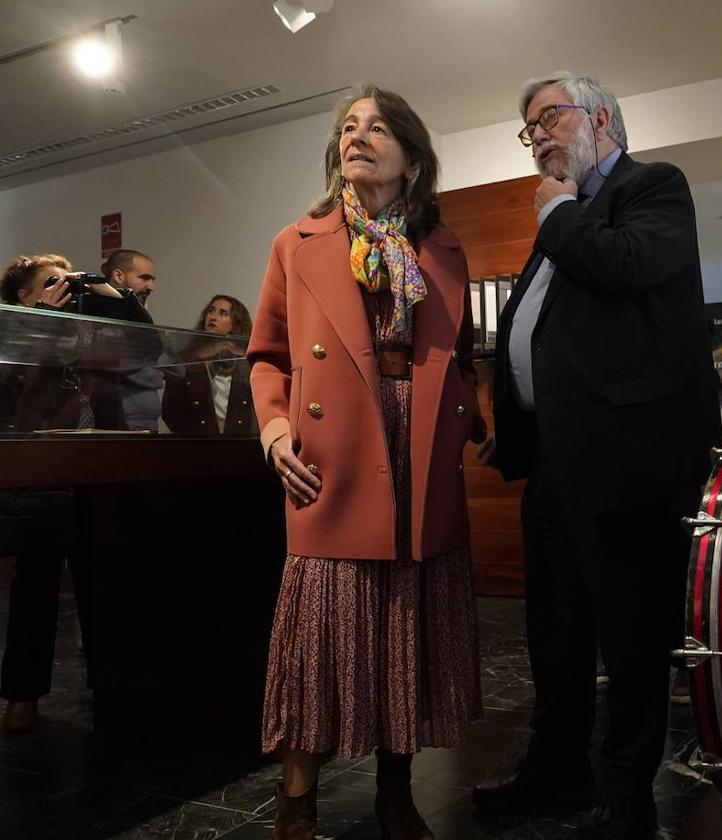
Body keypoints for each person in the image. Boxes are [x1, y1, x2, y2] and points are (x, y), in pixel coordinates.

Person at [474, 72, 721, 839]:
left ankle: (626, 788)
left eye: (549, 117)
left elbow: (625, 267)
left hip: (626, 460)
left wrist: (556, 215)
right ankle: (555, 774)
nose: (539, 136)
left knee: (629, 634)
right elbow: (546, 331)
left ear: (603, 117)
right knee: (555, 634)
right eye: (529, 129)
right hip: (553, 462)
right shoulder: (566, 219)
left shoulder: (652, 187)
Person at [248, 83, 486, 840]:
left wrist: (466, 421)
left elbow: (462, 358)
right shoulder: (300, 240)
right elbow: (266, 357)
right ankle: (296, 799)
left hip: (418, 445)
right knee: (320, 627)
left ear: (411, 156)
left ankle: (395, 791)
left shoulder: (443, 247)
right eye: (349, 127)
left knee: (404, 627)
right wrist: (277, 432)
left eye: (378, 127)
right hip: (334, 449)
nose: (358, 136)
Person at [0, 255, 91, 732]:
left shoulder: (83, 332)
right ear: (25, 297)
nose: (67, 287)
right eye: (53, 282)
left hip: (94, 472)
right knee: (35, 586)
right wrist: (43, 330)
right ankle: (22, 697)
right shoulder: (12, 335)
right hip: (36, 474)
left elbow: (147, 348)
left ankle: (113, 691)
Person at [162, 295, 258, 435]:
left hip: (240, 444)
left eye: (223, 313)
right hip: (198, 445)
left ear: (236, 321)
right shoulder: (187, 359)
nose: (213, 317)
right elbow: (172, 410)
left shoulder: (247, 360)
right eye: (211, 311)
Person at [102, 249, 161, 431]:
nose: (151, 286)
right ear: (118, 275)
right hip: (117, 424)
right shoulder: (101, 316)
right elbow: (108, 365)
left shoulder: (146, 317)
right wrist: (154, 372)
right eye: (144, 278)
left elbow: (177, 368)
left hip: (148, 424)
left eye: (152, 279)